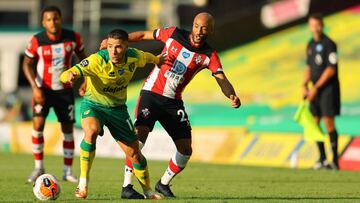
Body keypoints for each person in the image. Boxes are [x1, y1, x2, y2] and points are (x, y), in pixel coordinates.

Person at [102, 12, 241, 198]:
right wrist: (118, 42)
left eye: (204, 28)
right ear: (192, 25)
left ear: (211, 30)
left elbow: (221, 78)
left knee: (186, 149)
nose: (199, 31)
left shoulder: (209, 55)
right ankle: (127, 187)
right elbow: (144, 35)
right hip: (151, 95)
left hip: (173, 102)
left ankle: (163, 183)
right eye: (197, 26)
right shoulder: (174, 33)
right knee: (138, 140)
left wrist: (231, 94)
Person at [60, 29, 165, 199]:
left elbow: (148, 57)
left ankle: (148, 191)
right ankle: (82, 184)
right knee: (91, 131)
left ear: (126, 46)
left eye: (118, 47)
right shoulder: (97, 59)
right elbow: (66, 74)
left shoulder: (134, 56)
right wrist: (70, 75)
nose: (113, 51)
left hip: (117, 109)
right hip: (94, 105)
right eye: (110, 46)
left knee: (135, 154)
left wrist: (158, 60)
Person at [23, 5, 87, 183]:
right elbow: (26, 64)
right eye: (49, 19)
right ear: (43, 22)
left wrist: (85, 79)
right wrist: (35, 88)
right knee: (38, 125)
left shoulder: (73, 37)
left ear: (61, 19)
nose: (53, 22)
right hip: (42, 90)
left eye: (56, 18)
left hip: (65, 91)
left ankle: (67, 171)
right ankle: (38, 168)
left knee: (67, 130)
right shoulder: (37, 40)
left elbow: (85, 60)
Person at [303, 13, 340, 170]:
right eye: (312, 25)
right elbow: (309, 67)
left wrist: (316, 87)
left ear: (322, 25)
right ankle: (322, 159)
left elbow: (331, 70)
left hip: (327, 90)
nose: (315, 28)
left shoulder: (329, 44)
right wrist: (304, 84)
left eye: (318, 25)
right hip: (314, 91)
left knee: (328, 122)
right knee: (315, 122)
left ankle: (335, 160)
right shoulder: (310, 44)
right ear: (309, 26)